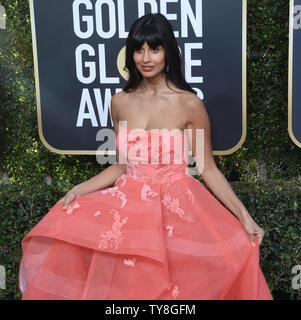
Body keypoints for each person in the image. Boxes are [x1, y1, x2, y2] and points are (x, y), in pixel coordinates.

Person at [19, 13, 273, 300]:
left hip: (178, 214)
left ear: (168, 52)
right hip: (131, 214)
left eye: (155, 48)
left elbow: (208, 169)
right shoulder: (120, 103)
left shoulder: (189, 104)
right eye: (139, 49)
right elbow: (119, 166)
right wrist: (78, 190)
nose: (146, 57)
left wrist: (244, 217)